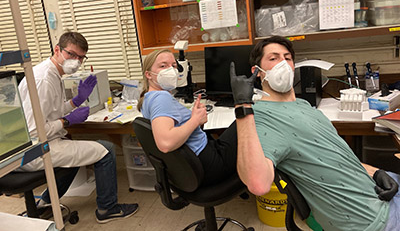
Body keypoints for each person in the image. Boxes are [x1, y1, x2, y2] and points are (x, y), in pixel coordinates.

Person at [230, 36, 400, 231]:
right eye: (273, 58)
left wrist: (375, 172)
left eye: (287, 58)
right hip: (367, 216)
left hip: (375, 188)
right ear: (257, 72)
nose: (283, 64)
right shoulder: (263, 116)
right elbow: (258, 184)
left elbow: (331, 154)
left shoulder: (303, 105)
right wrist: (242, 106)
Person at [18, 31, 138, 223]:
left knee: (79, 155)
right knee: (106, 150)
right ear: (57, 49)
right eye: (71, 54)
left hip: (45, 142)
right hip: (34, 150)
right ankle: (108, 209)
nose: (76, 61)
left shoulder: (53, 73)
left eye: (81, 57)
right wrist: (67, 121)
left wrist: (76, 100)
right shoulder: (43, 80)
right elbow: (33, 130)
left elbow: (53, 111)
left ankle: (46, 204)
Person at [137, 49, 237, 186]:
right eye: (163, 66)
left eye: (173, 65)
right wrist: (195, 120)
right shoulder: (161, 98)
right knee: (246, 121)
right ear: (148, 74)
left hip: (194, 167)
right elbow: (166, 144)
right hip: (209, 165)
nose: (171, 70)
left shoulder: (147, 98)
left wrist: (197, 121)